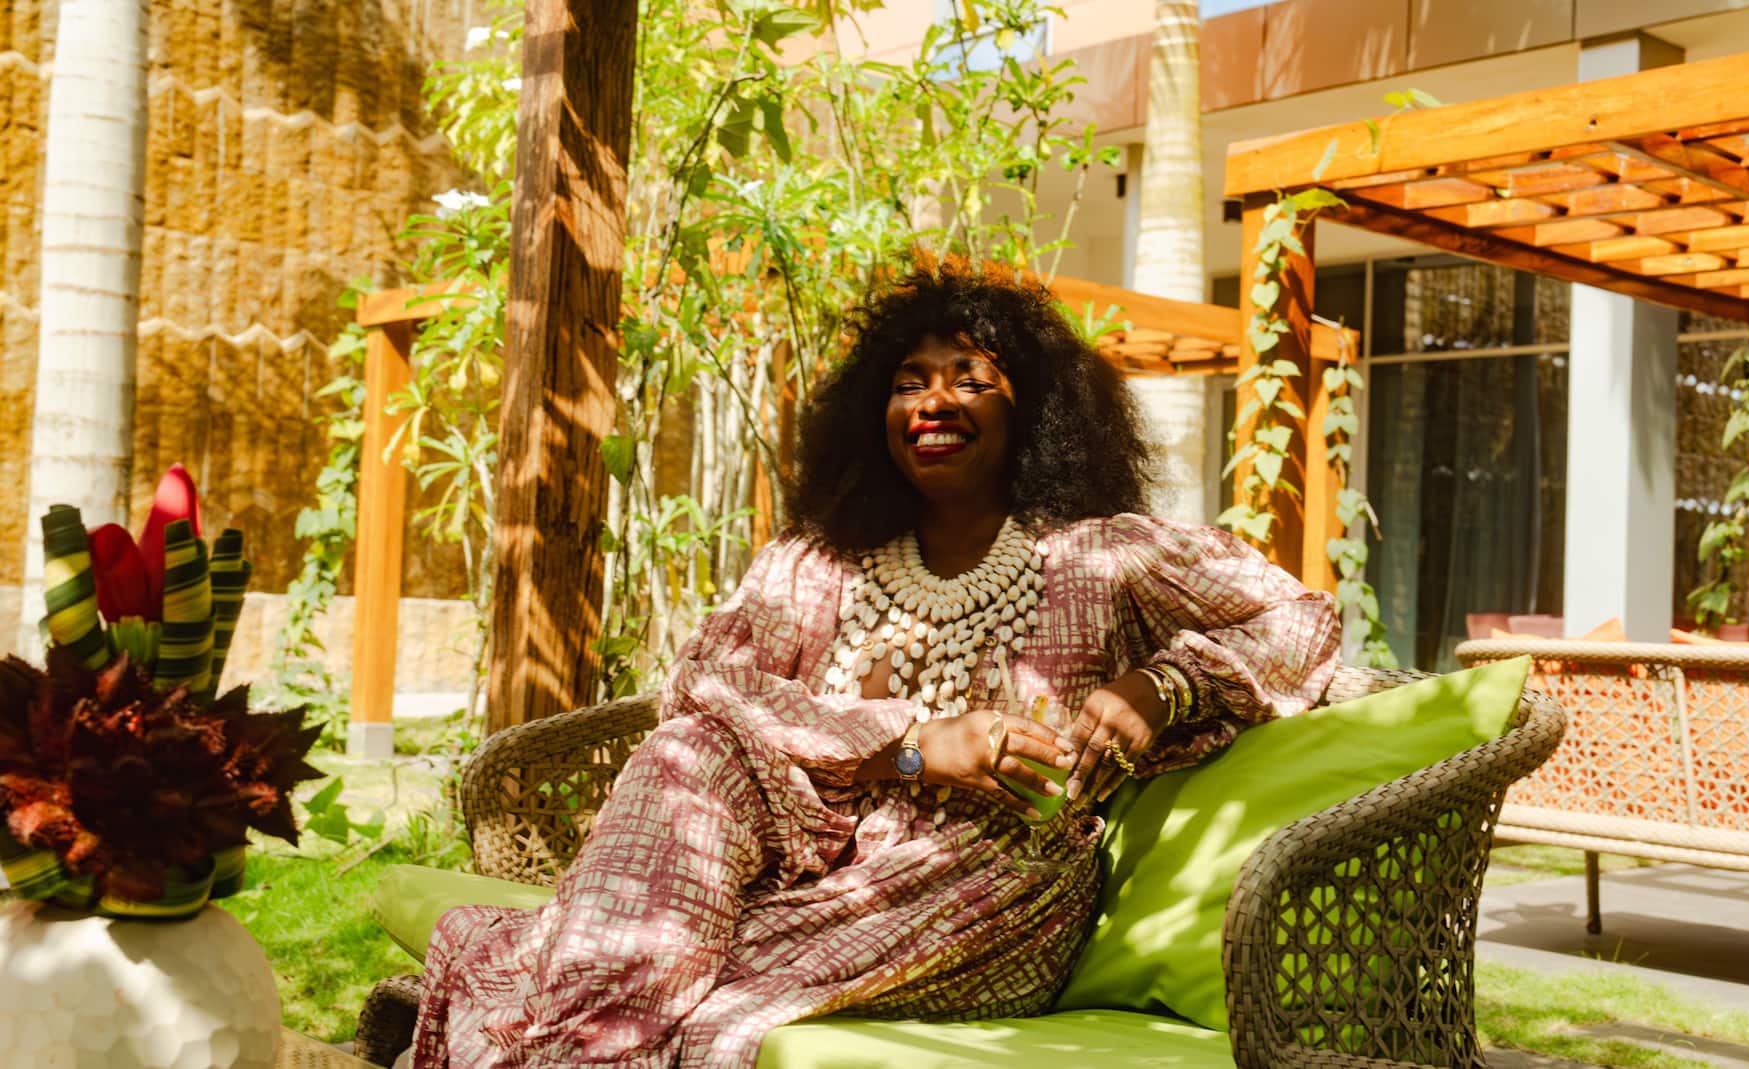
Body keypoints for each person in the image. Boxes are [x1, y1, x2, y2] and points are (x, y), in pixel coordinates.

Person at [409, 265, 1344, 1067]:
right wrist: (909, 743)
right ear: (875, 414)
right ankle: (576, 1020)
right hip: (800, 846)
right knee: (687, 755)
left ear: (1033, 409)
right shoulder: (819, 561)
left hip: (984, 879)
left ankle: (541, 1013)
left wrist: (1163, 687)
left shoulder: (1105, 556)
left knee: (661, 985)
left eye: (970, 378)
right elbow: (706, 682)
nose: (932, 401)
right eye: (907, 382)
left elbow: (1301, 618)